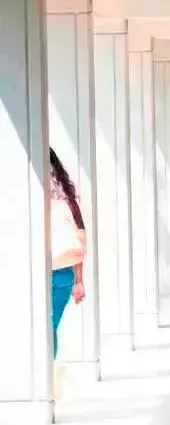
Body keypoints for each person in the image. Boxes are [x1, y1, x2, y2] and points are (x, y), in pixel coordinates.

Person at [49, 148, 87, 401]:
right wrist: (80, 281)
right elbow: (81, 239)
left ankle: (46, 380)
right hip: (63, 274)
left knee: (44, 328)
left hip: (39, 273)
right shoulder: (69, 200)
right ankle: (49, 377)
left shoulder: (31, 196)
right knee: (50, 326)